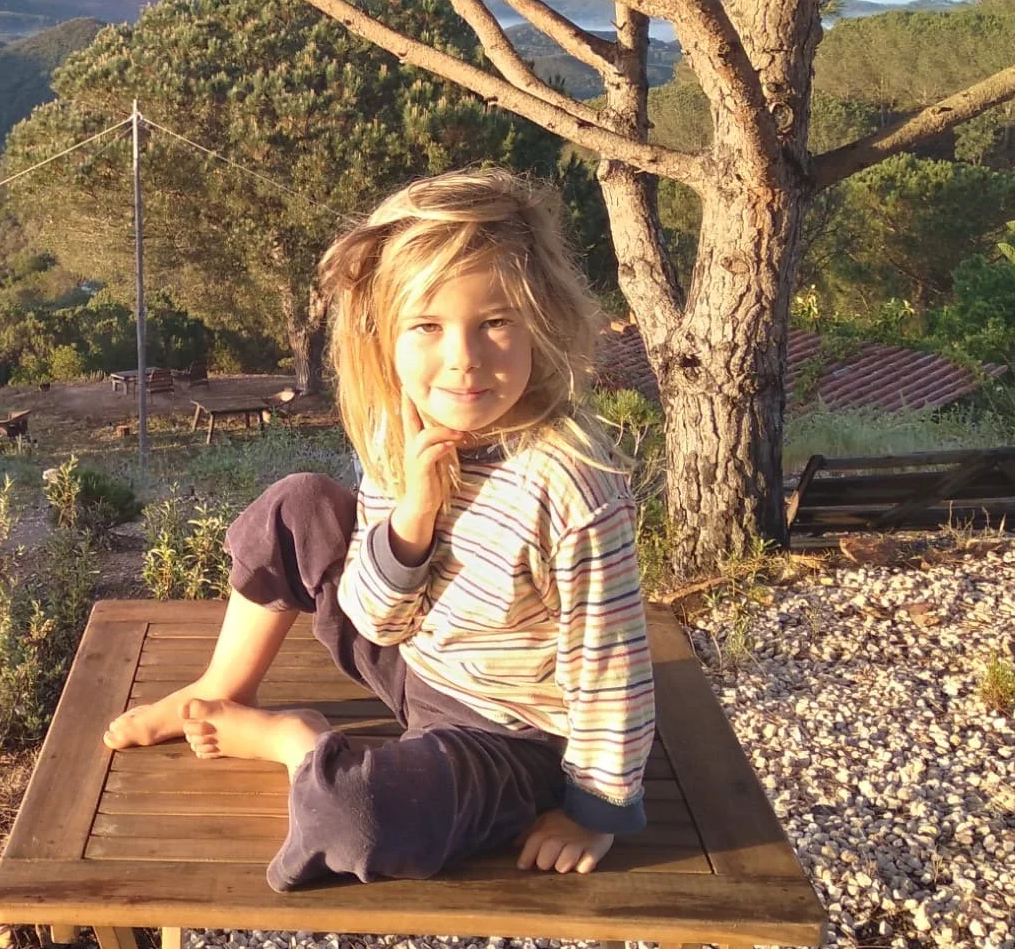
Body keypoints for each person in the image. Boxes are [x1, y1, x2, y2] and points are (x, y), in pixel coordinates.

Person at [103, 167, 653, 891]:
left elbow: (613, 668)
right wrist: (411, 521)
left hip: (513, 734)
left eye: (495, 322)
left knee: (353, 816)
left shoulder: (567, 486)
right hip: (418, 663)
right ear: (385, 337)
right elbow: (378, 618)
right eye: (427, 326)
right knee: (297, 502)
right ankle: (220, 687)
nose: (464, 357)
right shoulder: (405, 434)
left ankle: (292, 742)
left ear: (540, 323)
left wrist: (597, 813)